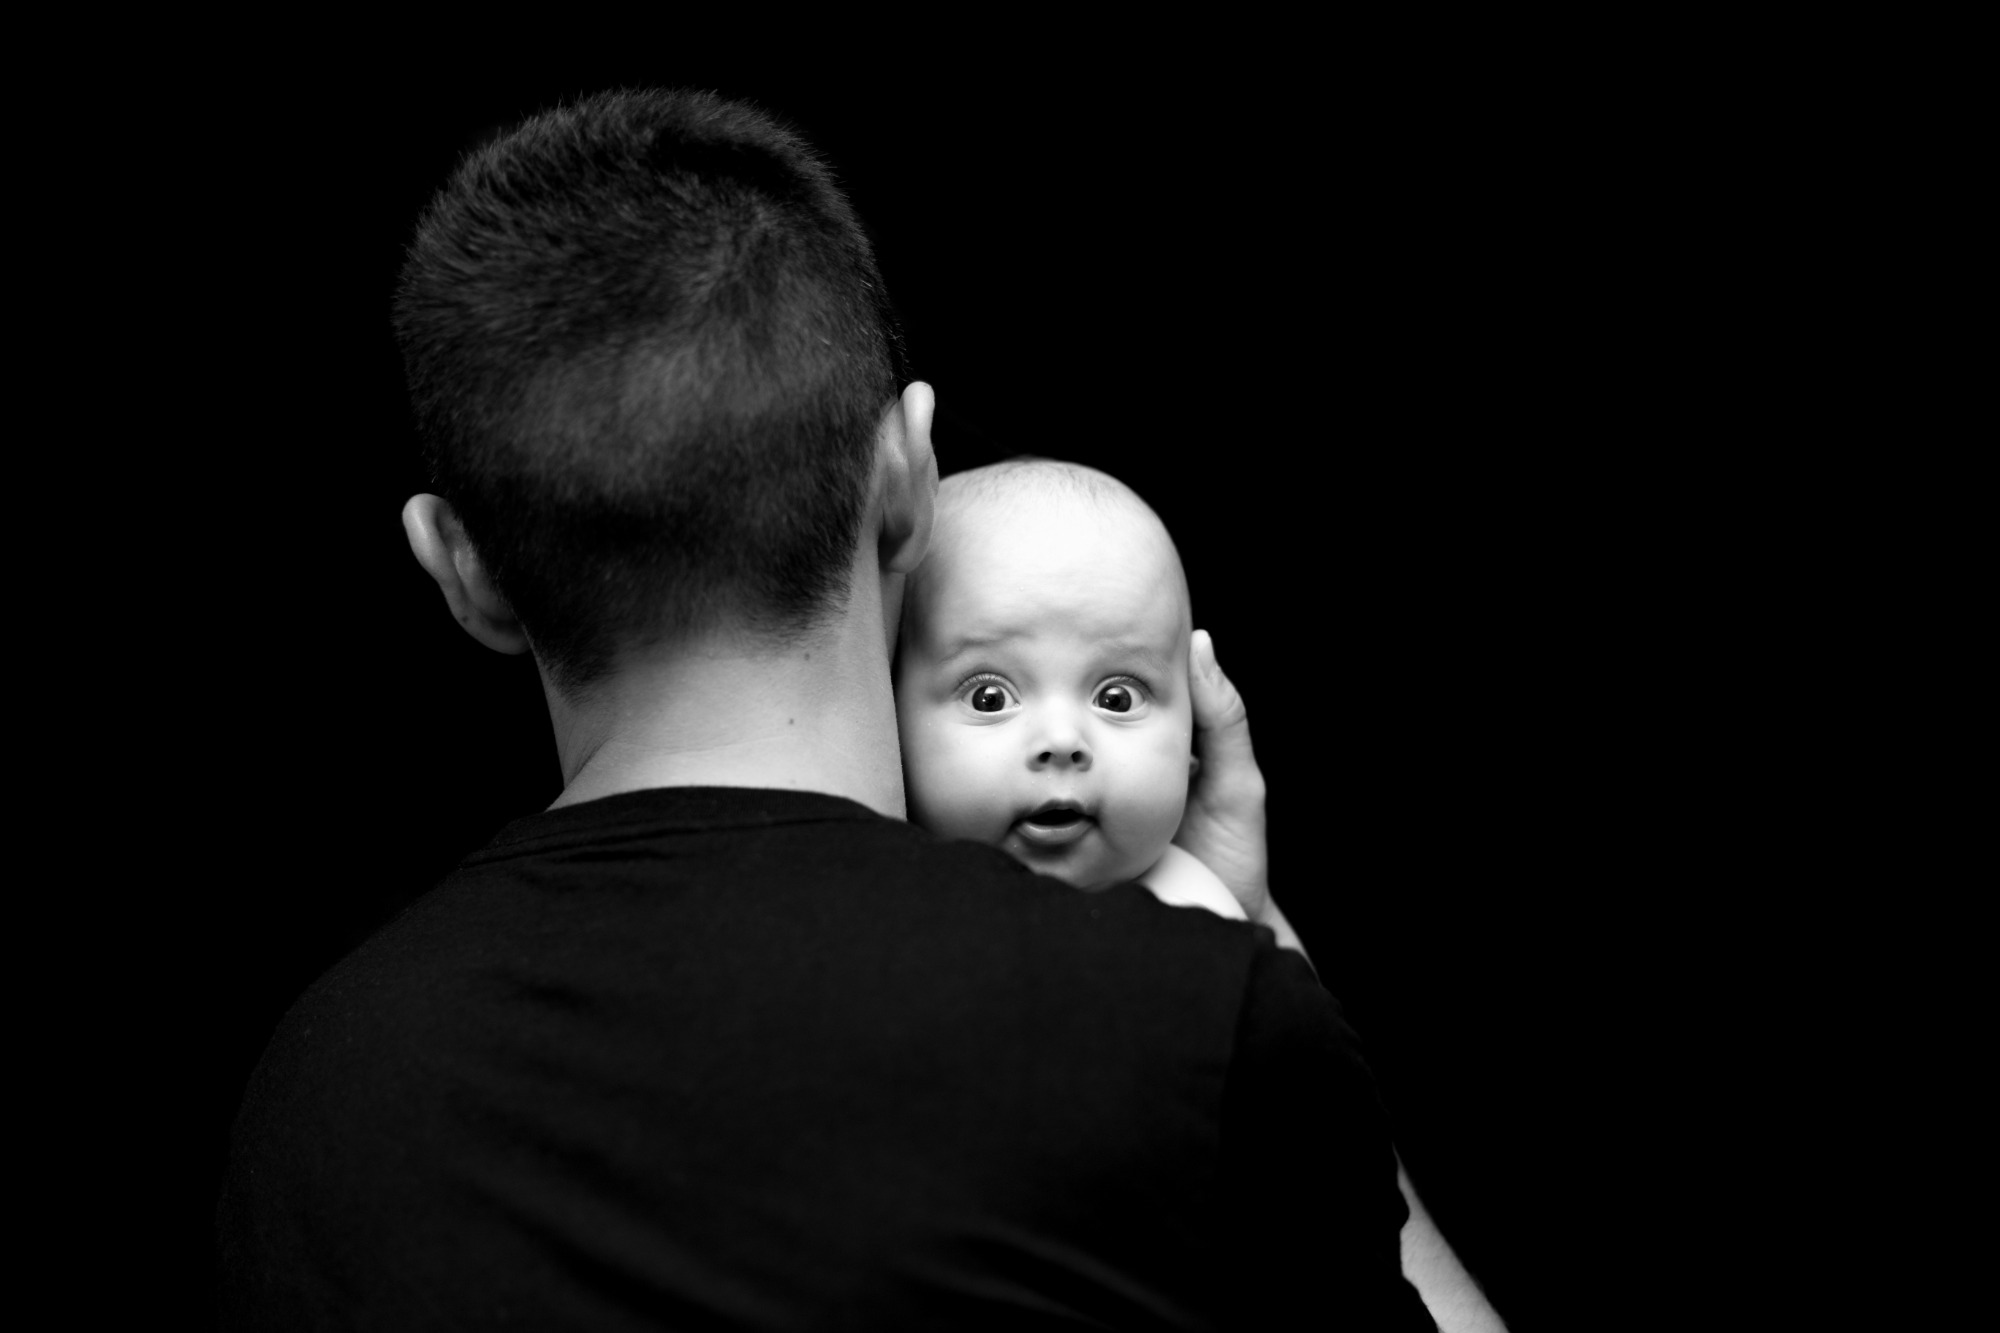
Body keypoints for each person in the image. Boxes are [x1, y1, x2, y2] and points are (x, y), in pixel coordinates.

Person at [216, 87, 1484, 1329]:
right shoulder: (1194, 1026)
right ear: (907, 475)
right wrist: (1247, 948)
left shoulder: (324, 1091)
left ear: (461, 568)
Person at [895, 458, 1252, 925]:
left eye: (1117, 699)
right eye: (990, 699)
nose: (1063, 740)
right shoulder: (883, 899)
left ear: (1192, 750)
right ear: (889, 718)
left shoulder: (1199, 914)